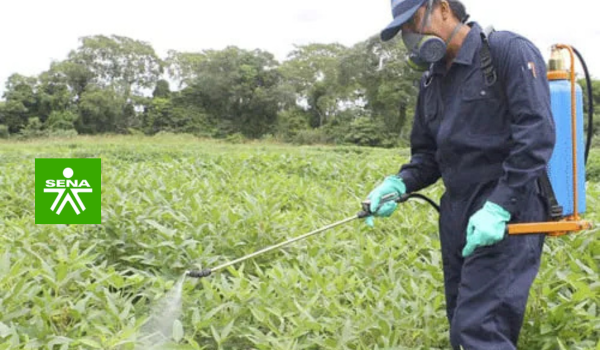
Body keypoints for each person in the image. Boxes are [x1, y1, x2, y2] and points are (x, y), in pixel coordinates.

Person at [364, 0, 556, 349]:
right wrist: (397, 183)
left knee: (477, 329)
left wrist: (500, 207)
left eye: (413, 22)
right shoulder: (431, 80)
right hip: (457, 212)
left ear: (441, 8)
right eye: (404, 31)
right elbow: (427, 156)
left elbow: (537, 136)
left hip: (508, 208)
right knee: (464, 321)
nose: (411, 35)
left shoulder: (505, 51)